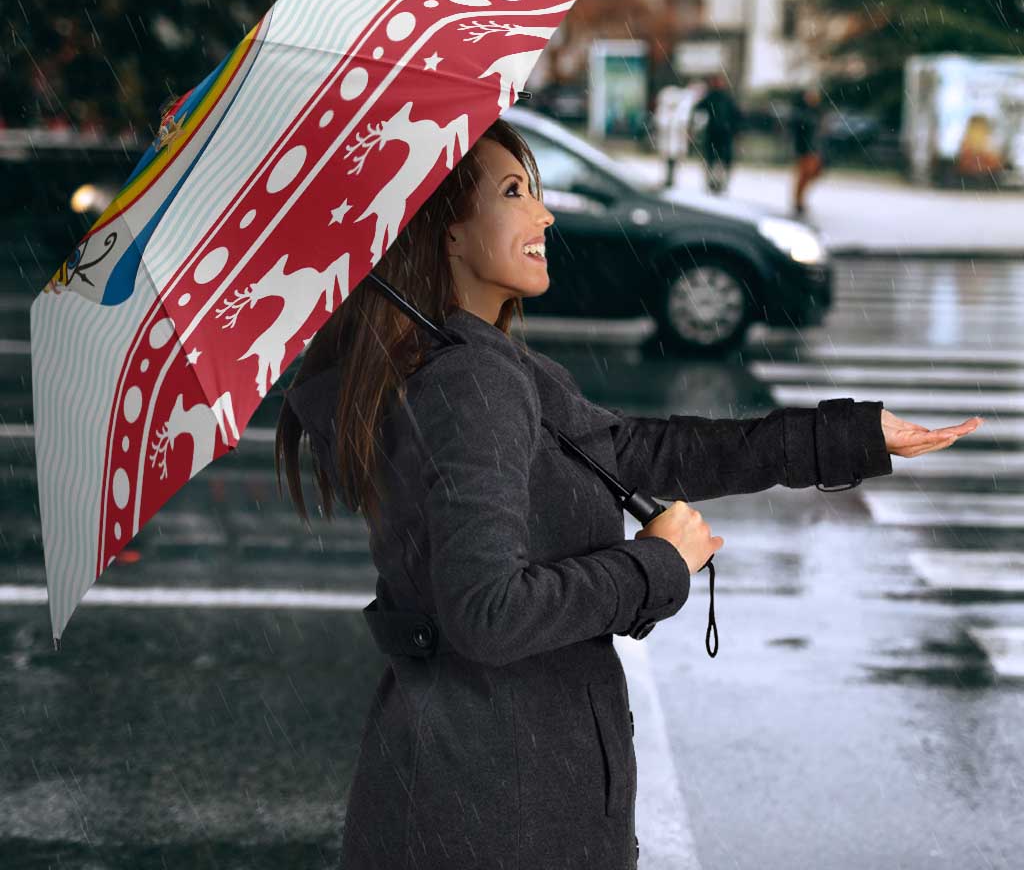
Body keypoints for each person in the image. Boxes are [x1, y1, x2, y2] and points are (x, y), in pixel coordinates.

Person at [276, 116, 981, 870]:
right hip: (497, 808)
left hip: (478, 788)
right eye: (514, 192)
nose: (544, 214)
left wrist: (849, 437)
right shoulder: (469, 382)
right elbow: (487, 613)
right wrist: (655, 565)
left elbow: (641, 450)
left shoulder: (478, 365)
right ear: (446, 231)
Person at [692, 72, 742, 195]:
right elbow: (698, 110)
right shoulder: (712, 97)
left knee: (720, 161)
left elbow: (736, 116)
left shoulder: (725, 98)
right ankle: (713, 183)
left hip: (723, 134)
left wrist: (735, 130)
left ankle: (719, 183)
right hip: (715, 134)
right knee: (713, 160)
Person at [790, 85, 826, 216]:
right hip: (805, 149)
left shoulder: (817, 112)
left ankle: (799, 200)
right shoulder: (802, 113)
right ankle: (798, 201)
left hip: (814, 149)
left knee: (812, 174)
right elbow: (799, 132)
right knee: (804, 175)